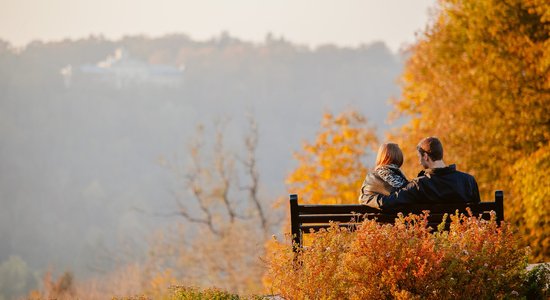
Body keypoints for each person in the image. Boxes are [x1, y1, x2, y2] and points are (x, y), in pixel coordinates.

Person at [360, 137, 481, 210]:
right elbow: (478, 212)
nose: (419, 161)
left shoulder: (419, 185)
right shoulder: (468, 181)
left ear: (426, 156)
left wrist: (366, 198)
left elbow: (387, 203)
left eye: (420, 157)